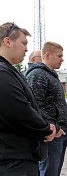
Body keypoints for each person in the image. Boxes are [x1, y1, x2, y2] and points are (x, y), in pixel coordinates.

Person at [0, 22, 56, 175]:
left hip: (21, 158)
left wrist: (48, 123)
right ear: (7, 41)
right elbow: (19, 112)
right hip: (13, 162)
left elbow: (32, 106)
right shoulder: (2, 73)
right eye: (23, 43)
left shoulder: (11, 71)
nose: (26, 49)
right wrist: (45, 128)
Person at [25, 42, 67, 176]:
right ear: (47, 55)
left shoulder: (50, 74)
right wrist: (54, 127)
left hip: (59, 134)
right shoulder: (37, 75)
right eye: (59, 56)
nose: (62, 59)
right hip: (51, 136)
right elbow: (35, 106)